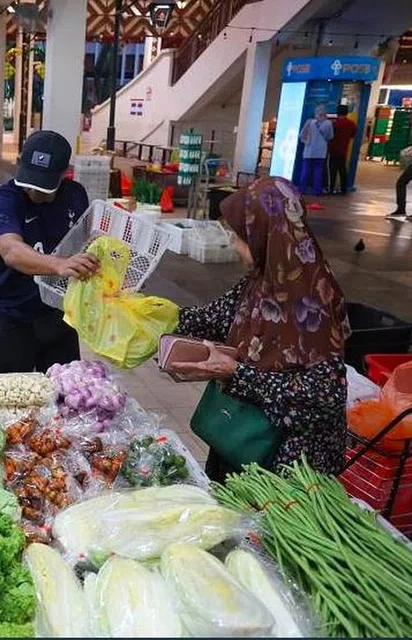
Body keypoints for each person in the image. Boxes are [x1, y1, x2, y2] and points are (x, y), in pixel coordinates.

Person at [167, 176, 349, 482]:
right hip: (240, 440)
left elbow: (324, 397)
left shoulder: (314, 300)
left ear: (266, 234)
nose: (232, 243)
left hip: (286, 466)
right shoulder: (263, 278)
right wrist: (152, 313)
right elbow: (214, 317)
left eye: (240, 236)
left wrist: (236, 374)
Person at [0, 130, 96, 375]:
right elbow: (11, 250)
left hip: (59, 315)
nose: (33, 193)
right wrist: (58, 265)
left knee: (65, 394)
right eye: (28, 184)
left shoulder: (76, 195)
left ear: (64, 174)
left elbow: (87, 242)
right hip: (11, 314)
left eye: (43, 187)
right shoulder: (3, 200)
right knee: (6, 398)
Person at [299, 105, 334, 195]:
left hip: (308, 151)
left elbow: (301, 135)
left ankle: (302, 189)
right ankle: (317, 190)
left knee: (305, 171)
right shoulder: (328, 123)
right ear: (325, 113)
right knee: (318, 171)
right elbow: (330, 136)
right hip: (321, 152)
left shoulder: (309, 122)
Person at [328, 104, 357, 195]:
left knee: (332, 170)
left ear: (337, 113)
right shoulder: (352, 124)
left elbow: (329, 136)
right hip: (344, 150)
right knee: (342, 170)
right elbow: (353, 135)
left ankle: (331, 189)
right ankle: (343, 189)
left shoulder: (335, 124)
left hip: (333, 149)